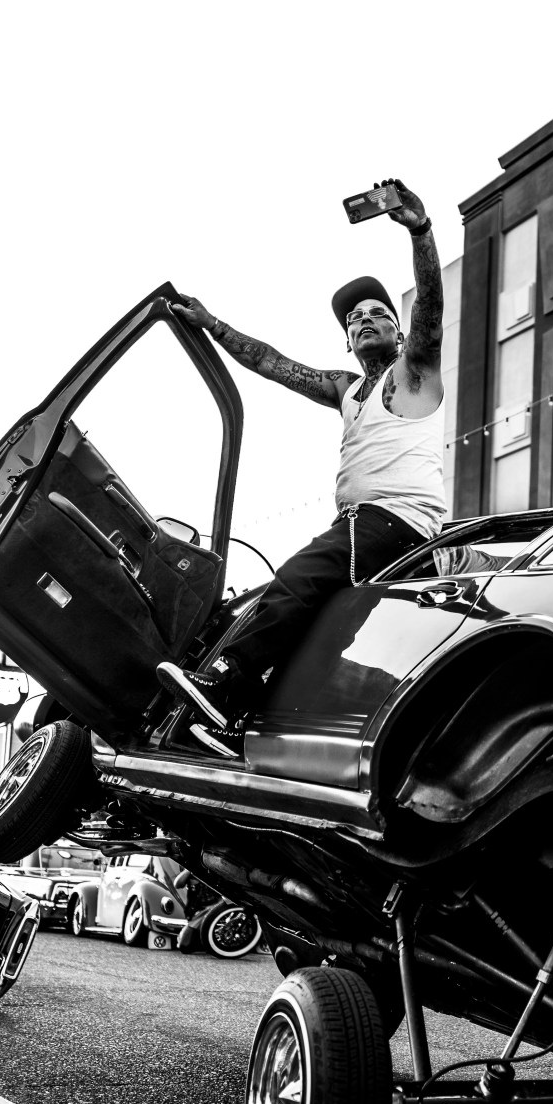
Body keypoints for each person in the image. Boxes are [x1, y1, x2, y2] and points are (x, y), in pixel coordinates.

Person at [165, 179, 444, 755]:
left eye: (378, 313)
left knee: (298, 577)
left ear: (398, 329)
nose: (365, 320)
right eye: (355, 319)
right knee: (283, 600)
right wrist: (213, 325)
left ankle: (224, 684)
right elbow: (272, 363)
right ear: (347, 341)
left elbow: (433, 314)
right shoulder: (348, 389)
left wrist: (420, 231)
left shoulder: (411, 374)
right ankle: (243, 715)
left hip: (397, 522)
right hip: (362, 524)